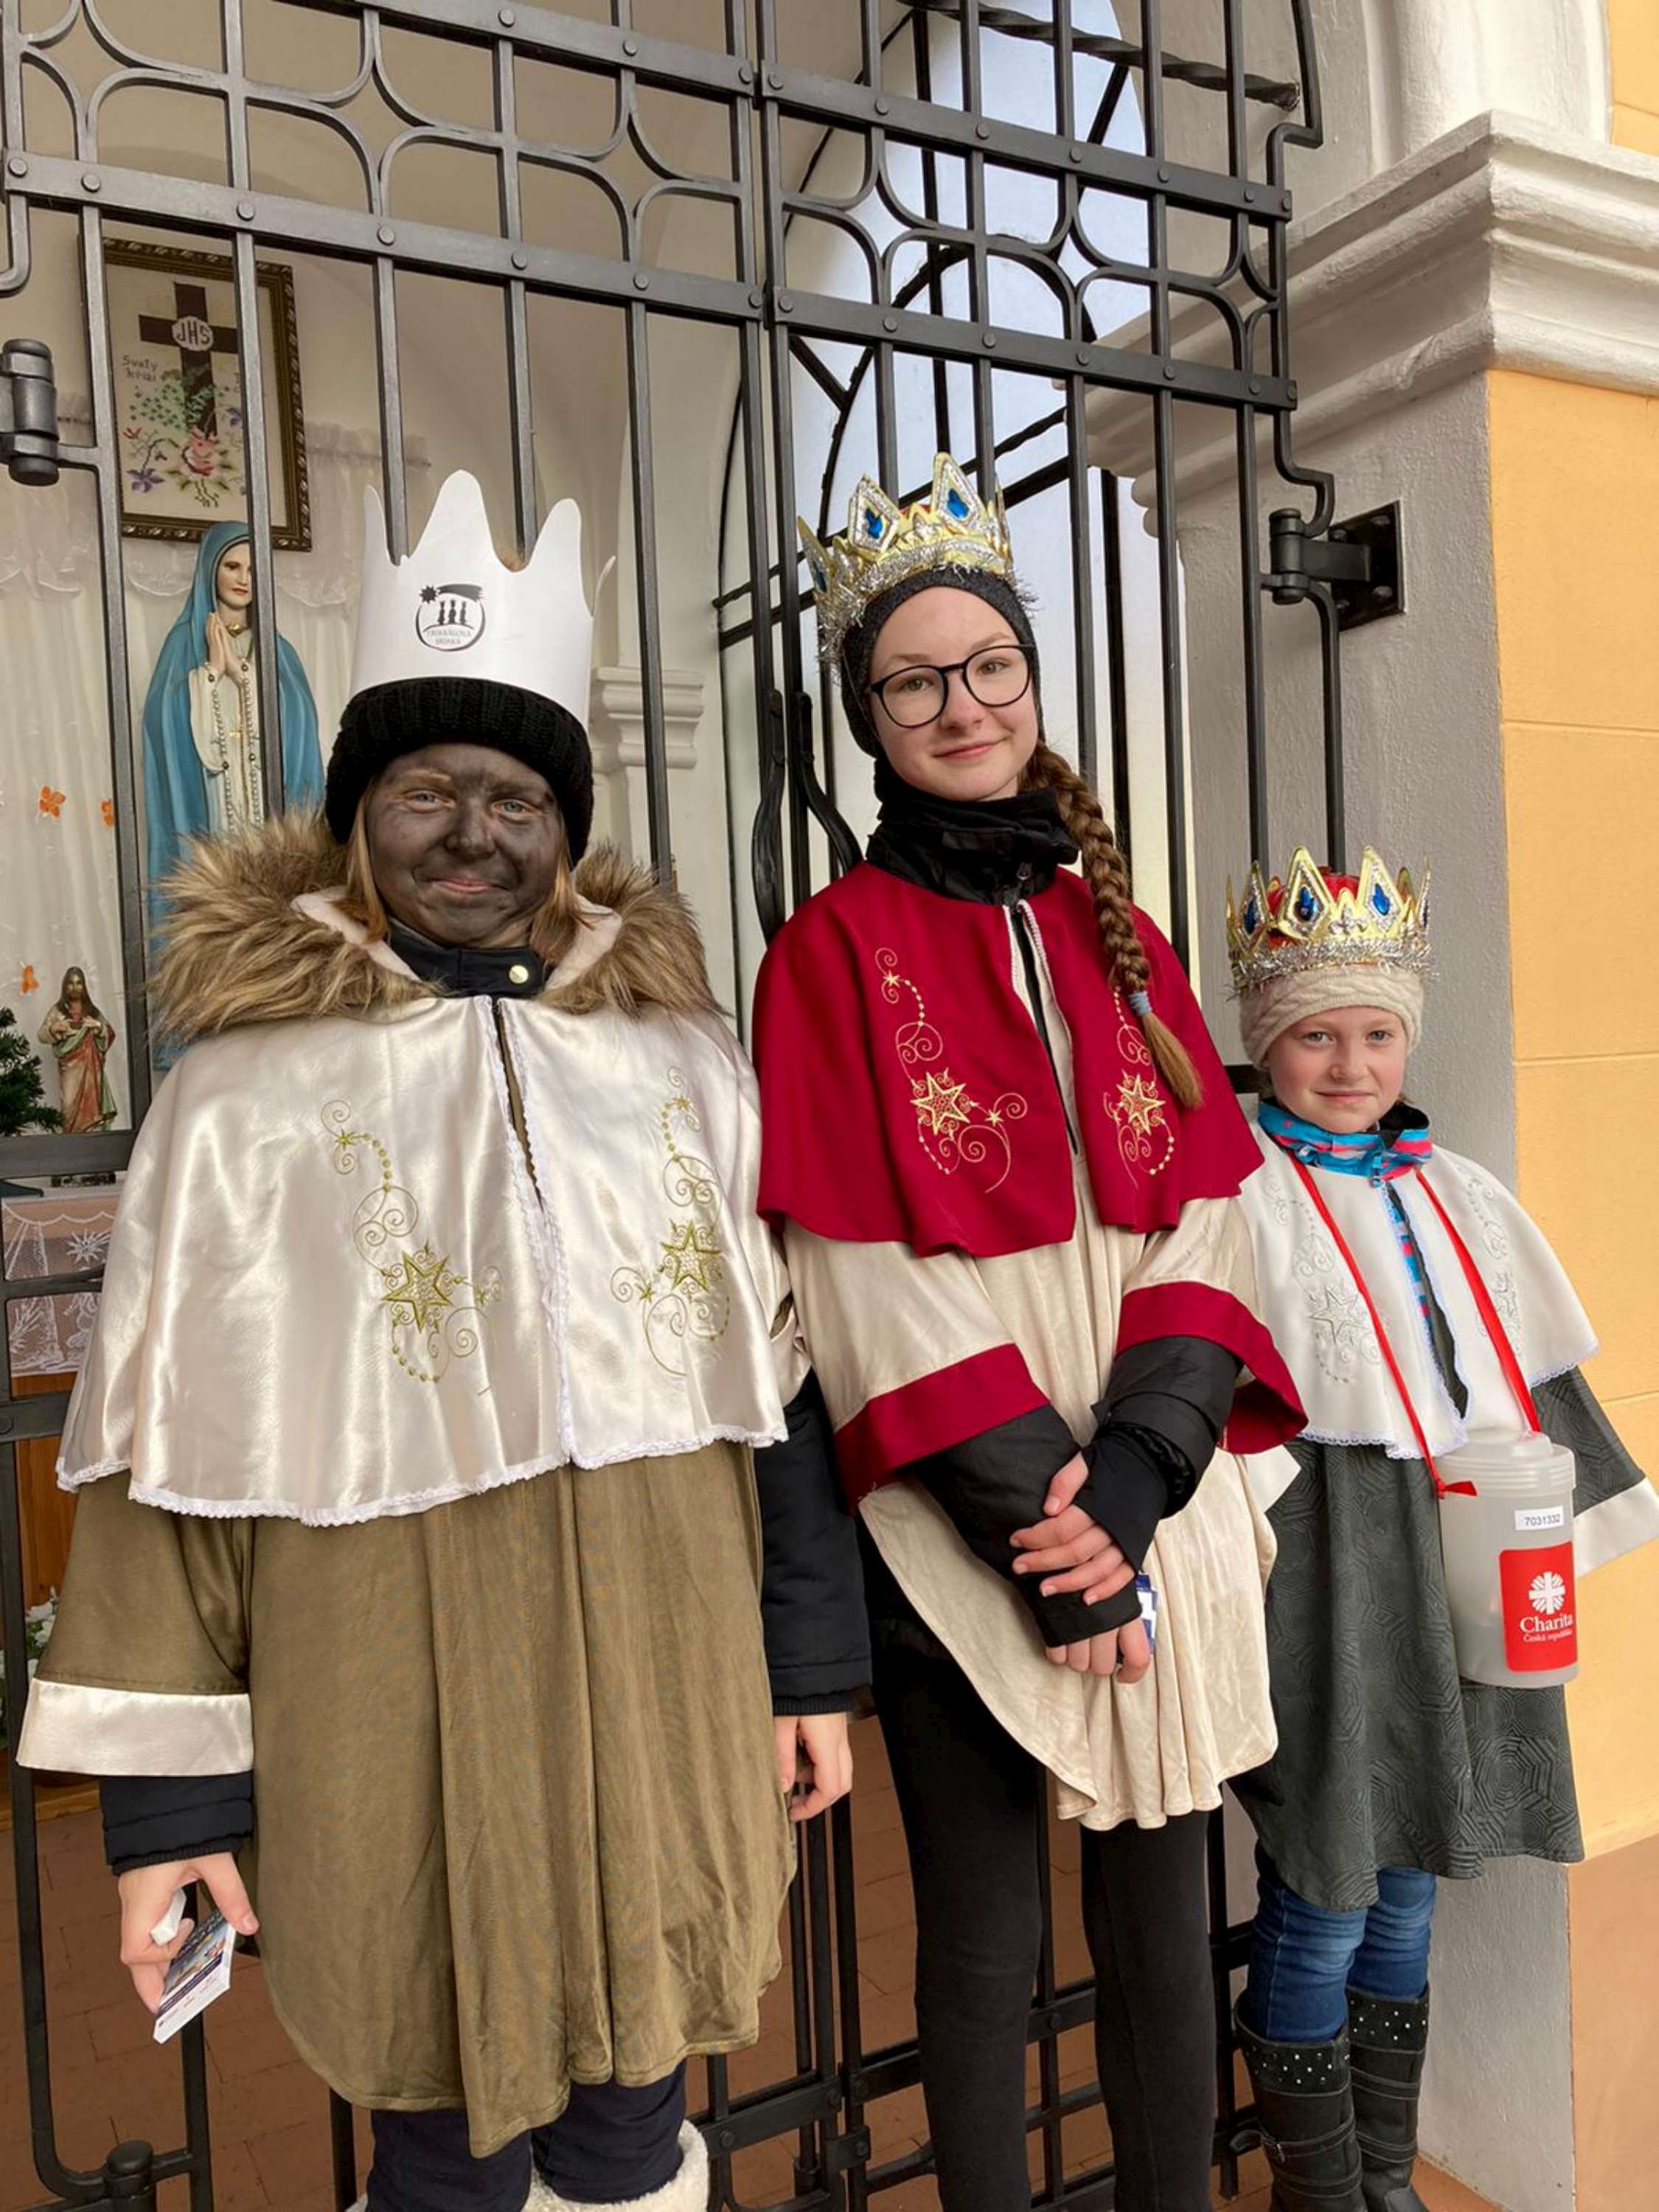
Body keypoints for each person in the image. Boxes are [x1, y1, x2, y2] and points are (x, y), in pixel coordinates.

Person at [20, 472, 866, 2212]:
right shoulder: (239, 1101)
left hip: (662, 1683)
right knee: (440, 2130)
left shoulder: (681, 1065)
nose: (473, 833)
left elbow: (772, 1387)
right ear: (359, 815)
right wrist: (167, 1812)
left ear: (564, 828)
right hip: (385, 1703)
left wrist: (807, 1669)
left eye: (515, 798)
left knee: (635, 2108)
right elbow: (161, 1462)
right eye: (427, 790)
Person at [751, 454, 1306, 2212]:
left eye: (989, 666)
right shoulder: (827, 950)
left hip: (1152, 1496)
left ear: (1032, 683)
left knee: (1163, 1927)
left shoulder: (1118, 929)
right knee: (983, 1949)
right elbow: (850, 1272)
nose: (960, 705)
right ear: (868, 718)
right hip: (962, 1518)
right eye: (914, 680)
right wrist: (1050, 1536)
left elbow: (1211, 1210)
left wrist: (1137, 1478)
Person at [1222, 846, 1659, 2212]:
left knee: (1412, 1880)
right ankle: (1315, 2191)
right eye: (1314, 1036)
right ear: (1268, 1044)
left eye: (1374, 1034)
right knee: (1327, 1888)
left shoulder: (1458, 1192)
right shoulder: (1236, 1196)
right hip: (1326, 1563)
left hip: (1461, 1557)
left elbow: (1533, 1377)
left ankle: (1382, 2176)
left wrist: (1553, 1546)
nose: (1348, 1064)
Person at [141, 519, 324, 891]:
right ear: (211, 570)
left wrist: (242, 676)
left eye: (253, 570)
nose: (244, 579)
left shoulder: (277, 649)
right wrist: (210, 673)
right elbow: (162, 723)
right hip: (213, 800)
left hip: (269, 803)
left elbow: (300, 721)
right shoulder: (183, 643)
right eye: (232, 566)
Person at [38, 965, 116, 1133]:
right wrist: (53, 1029)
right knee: (69, 1106)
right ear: (65, 986)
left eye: (79, 983)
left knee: (92, 1106)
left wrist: (98, 1026)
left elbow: (110, 1033)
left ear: (84, 986)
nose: (75, 988)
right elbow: (42, 1034)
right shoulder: (58, 1010)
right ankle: (72, 1137)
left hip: (91, 1070)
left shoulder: (91, 1011)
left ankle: (93, 1133)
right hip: (69, 1069)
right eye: (71, 983)